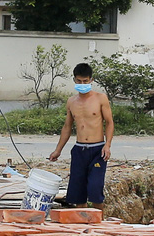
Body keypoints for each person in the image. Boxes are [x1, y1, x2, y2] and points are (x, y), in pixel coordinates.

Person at [47, 63, 114, 208]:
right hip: (79, 149)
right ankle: (81, 224)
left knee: (95, 189)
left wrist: (107, 145)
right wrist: (58, 150)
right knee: (78, 192)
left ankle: (98, 223)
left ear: (91, 80)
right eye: (79, 81)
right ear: (74, 80)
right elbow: (67, 126)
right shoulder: (72, 101)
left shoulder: (100, 98)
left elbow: (109, 123)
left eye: (85, 81)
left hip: (97, 149)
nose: (82, 84)